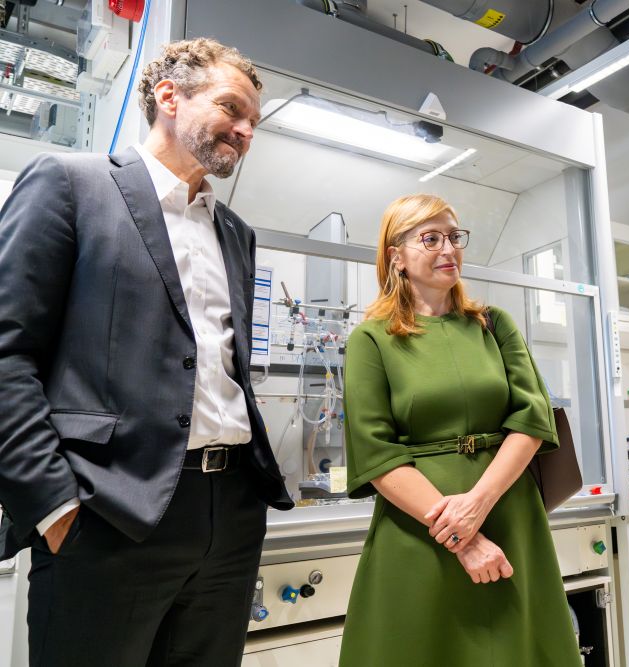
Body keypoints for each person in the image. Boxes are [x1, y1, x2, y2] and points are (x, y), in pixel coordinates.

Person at [0, 38, 293, 666]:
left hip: (230, 515)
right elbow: (7, 354)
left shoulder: (235, 233)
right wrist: (51, 505)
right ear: (169, 97)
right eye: (231, 109)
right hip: (110, 513)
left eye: (253, 123)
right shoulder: (72, 185)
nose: (245, 132)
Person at [338, 194, 580, 666]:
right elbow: (376, 452)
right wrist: (461, 536)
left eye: (454, 236)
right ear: (397, 257)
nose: (448, 248)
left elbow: (532, 419)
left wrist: (479, 503)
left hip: (511, 516)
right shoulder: (371, 339)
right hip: (419, 531)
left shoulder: (493, 325)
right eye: (430, 238)